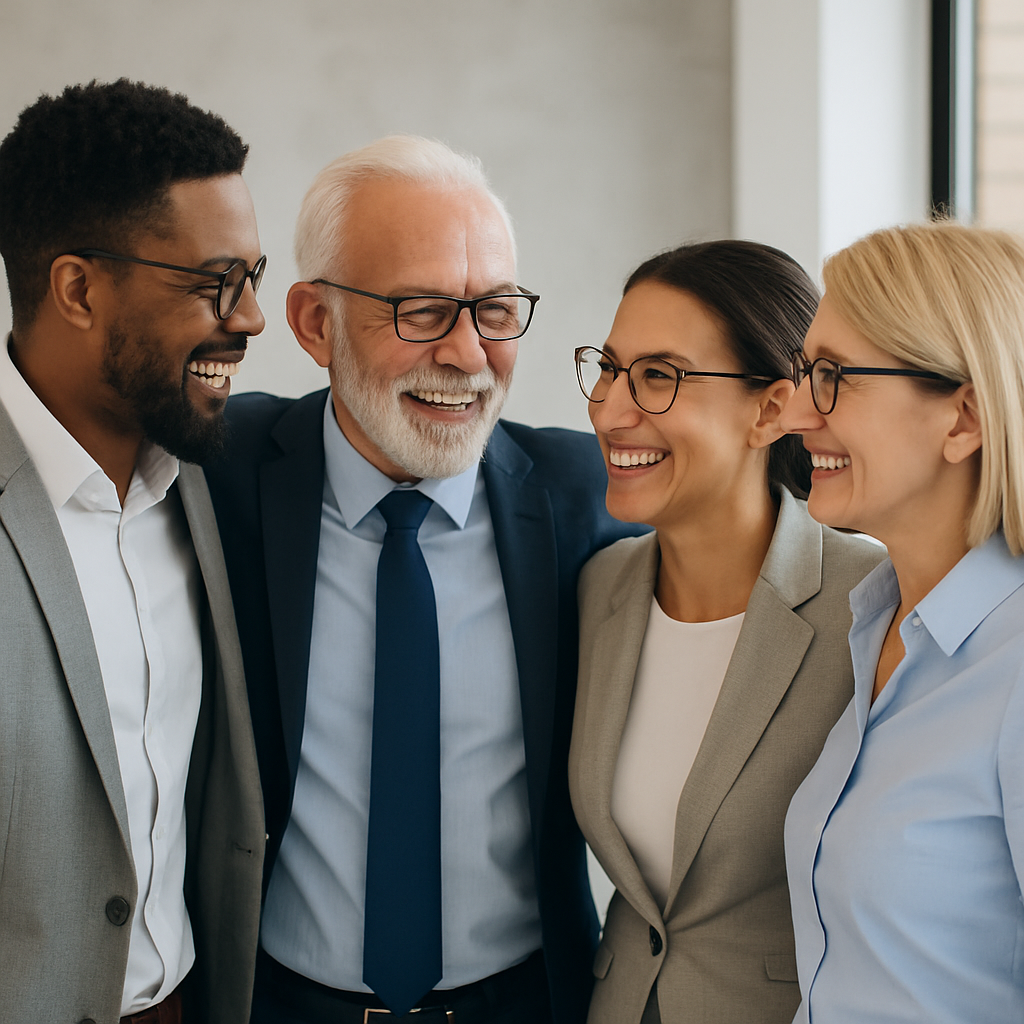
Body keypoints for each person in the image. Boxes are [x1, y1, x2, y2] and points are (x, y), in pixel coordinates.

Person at [203, 135, 641, 1024]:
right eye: (423, 311)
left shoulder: (589, 499)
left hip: (527, 1005)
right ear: (314, 322)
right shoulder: (215, 469)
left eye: (496, 310)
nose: (470, 355)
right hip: (274, 1003)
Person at [0, 80, 267, 1023]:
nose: (251, 318)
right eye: (213, 282)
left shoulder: (205, 485)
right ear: (78, 289)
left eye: (254, 276)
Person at [567, 241, 883, 1024]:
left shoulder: (871, 600)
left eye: (659, 376)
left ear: (771, 411)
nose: (609, 409)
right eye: (609, 368)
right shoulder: (600, 589)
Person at [781, 221, 1024, 1023]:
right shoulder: (876, 619)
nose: (796, 413)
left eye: (833, 377)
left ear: (963, 420)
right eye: (805, 373)